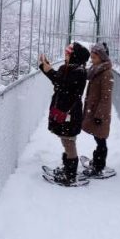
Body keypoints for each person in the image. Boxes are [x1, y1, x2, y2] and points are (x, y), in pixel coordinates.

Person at [39, 42, 90, 184]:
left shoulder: (77, 71)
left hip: (70, 113)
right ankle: (67, 167)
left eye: (68, 53)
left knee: (69, 141)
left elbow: (60, 81)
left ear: (74, 56)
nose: (65, 55)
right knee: (66, 139)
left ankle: (70, 175)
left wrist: (46, 68)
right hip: (67, 111)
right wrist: (47, 68)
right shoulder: (73, 69)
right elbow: (59, 80)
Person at [81, 42, 114, 176]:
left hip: (99, 114)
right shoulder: (97, 70)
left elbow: (106, 98)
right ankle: (96, 162)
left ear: (102, 57)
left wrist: (100, 116)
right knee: (98, 138)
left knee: (101, 140)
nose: (91, 60)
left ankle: (98, 166)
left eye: (94, 57)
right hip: (94, 111)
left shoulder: (106, 74)